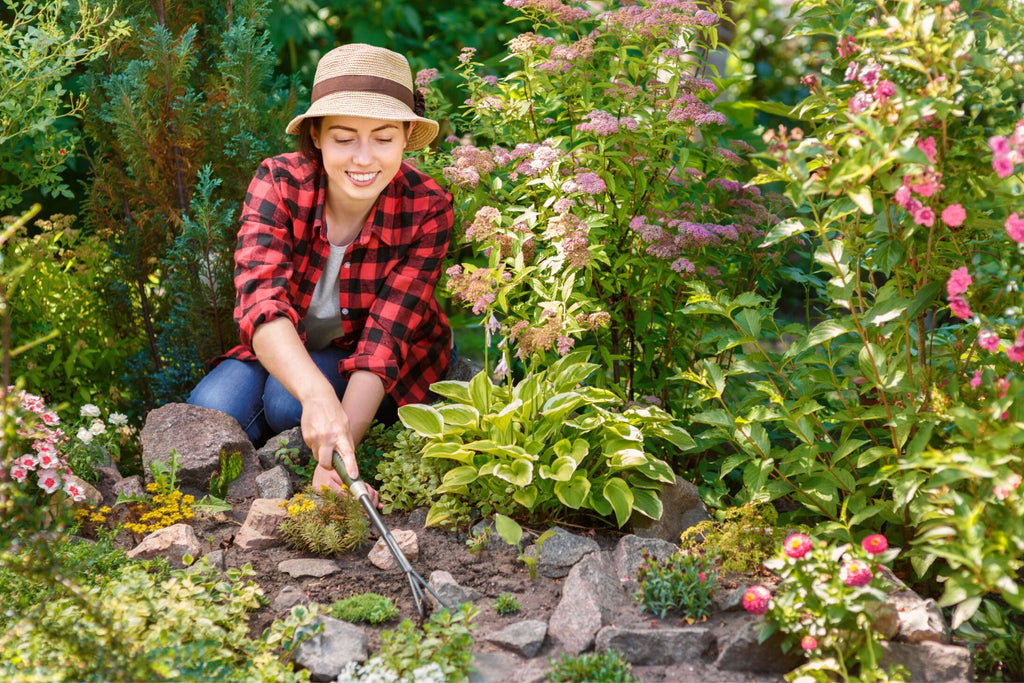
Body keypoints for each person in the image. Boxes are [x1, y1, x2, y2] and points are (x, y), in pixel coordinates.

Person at [187, 44, 453, 505]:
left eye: (384, 138)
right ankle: (289, 437)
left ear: (407, 136)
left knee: (286, 405)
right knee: (211, 412)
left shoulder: (428, 207)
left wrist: (337, 460)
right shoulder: (279, 182)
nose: (364, 158)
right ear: (317, 136)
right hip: (290, 343)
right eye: (344, 137)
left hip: (366, 358)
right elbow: (260, 302)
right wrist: (316, 395)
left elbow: (384, 342)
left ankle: (299, 445)